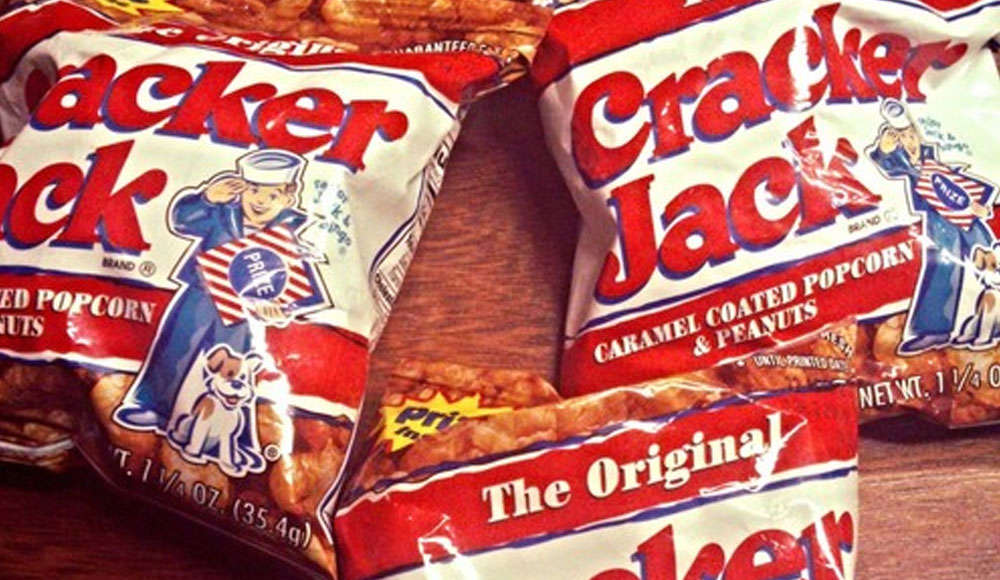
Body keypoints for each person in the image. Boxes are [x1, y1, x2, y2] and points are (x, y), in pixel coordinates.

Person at [115, 149, 313, 434]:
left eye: (272, 195)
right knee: (176, 347)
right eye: (253, 190)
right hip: (201, 292)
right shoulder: (221, 214)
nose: (260, 201)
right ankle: (150, 405)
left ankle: (228, 431)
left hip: (243, 309)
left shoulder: (289, 232)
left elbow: (298, 284)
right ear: (241, 189)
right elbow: (181, 221)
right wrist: (206, 198)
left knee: (233, 365)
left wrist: (282, 308)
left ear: (288, 199)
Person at [869, 99, 996, 354]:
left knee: (989, 262)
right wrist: (884, 150)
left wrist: (982, 205)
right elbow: (890, 167)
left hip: (967, 217)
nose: (908, 141)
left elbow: (966, 176)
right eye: (902, 136)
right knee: (941, 270)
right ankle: (933, 331)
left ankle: (990, 324)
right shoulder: (904, 161)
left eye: (910, 134)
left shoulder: (938, 149)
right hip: (938, 220)